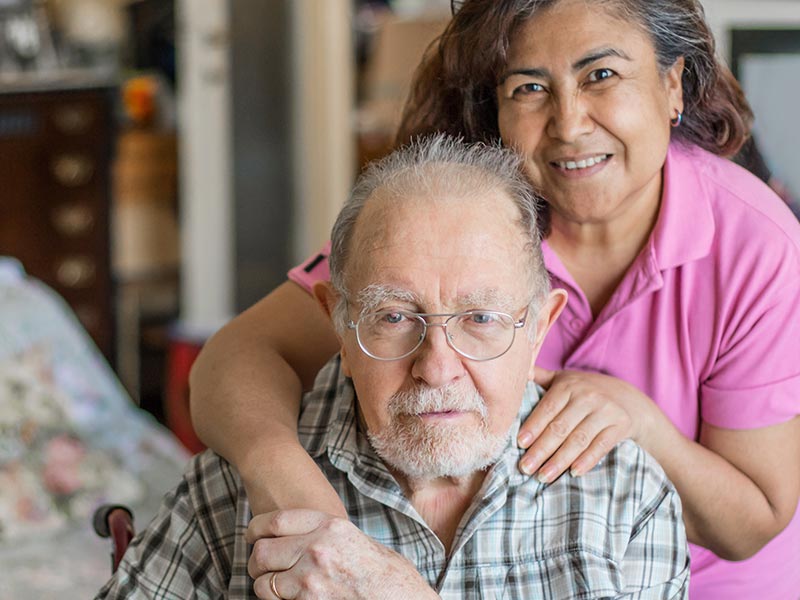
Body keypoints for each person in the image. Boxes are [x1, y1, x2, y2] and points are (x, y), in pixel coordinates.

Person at [189, 1, 800, 598]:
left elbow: (754, 521)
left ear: (672, 85)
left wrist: (640, 425)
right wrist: (296, 492)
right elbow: (233, 359)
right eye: (529, 88)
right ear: (496, 113)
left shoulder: (755, 243)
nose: (569, 123)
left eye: (602, 75)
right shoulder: (458, 220)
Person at [98, 136, 690, 599]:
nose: (436, 369)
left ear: (538, 328)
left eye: (480, 318)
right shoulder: (237, 487)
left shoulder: (623, 498)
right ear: (337, 321)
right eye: (394, 316)